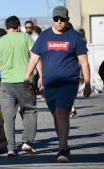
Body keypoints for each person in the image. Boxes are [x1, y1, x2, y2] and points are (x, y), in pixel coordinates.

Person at [24, 6, 91, 163]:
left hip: (68, 82)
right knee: (56, 115)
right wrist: (26, 76)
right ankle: (64, 144)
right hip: (50, 84)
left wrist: (87, 83)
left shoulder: (75, 37)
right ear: (53, 19)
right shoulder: (44, 37)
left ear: (67, 20)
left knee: (61, 112)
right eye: (56, 19)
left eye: (62, 19)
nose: (59, 22)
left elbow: (84, 62)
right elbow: (34, 58)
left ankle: (63, 149)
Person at [0, 16, 39, 157]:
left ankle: (11, 148)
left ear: (7, 28)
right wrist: (41, 76)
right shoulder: (26, 38)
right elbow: (35, 57)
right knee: (30, 111)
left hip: (6, 85)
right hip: (25, 82)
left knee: (8, 117)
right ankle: (27, 142)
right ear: (18, 27)